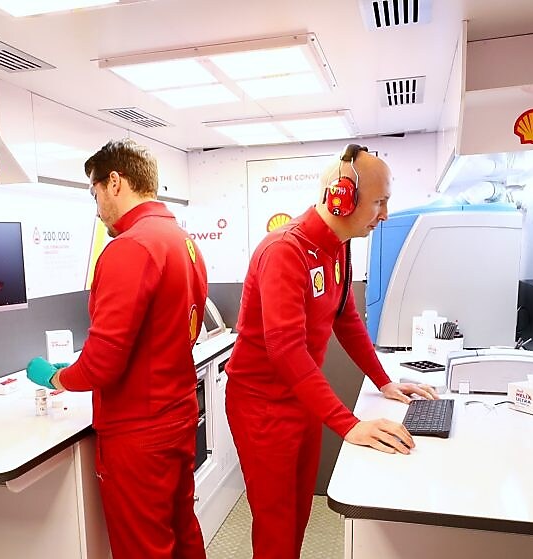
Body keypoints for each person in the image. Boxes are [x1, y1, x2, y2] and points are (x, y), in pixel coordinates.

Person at [225, 144, 439, 559]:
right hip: (263, 408)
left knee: (298, 515)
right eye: (379, 202)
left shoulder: (338, 246)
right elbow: (285, 349)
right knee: (275, 522)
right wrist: (348, 424)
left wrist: (384, 380)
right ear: (341, 197)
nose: (385, 215)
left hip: (302, 400)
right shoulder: (284, 251)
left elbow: (346, 319)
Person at [25, 139, 209, 559]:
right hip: (175, 415)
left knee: (143, 548)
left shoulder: (129, 248)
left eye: (94, 194)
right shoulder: (183, 241)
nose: (96, 208)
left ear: (114, 182)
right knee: (182, 530)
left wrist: (56, 377)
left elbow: (102, 364)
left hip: (139, 432)